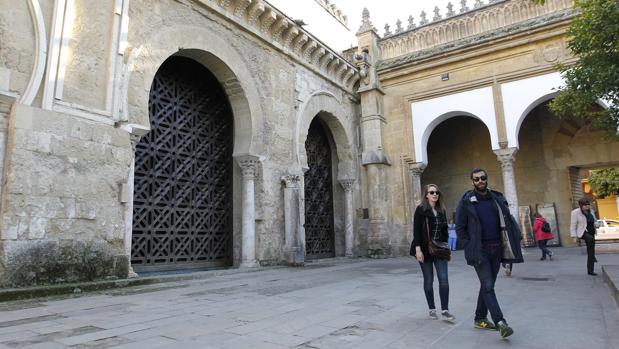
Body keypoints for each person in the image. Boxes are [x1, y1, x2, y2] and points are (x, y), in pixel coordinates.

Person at [456, 168, 523, 338]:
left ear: (487, 179)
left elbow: (508, 220)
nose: (480, 181)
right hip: (479, 251)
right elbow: (460, 227)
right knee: (487, 285)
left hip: (497, 248)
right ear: (472, 181)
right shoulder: (466, 201)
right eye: (476, 179)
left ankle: (479, 318)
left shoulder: (497, 198)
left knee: (487, 285)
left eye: (482, 178)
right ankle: (501, 322)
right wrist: (468, 245)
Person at [412, 184, 455, 322]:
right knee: (429, 280)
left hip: (439, 249)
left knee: (444, 279)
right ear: (426, 195)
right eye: (431, 192)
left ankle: (445, 310)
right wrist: (418, 249)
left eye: (437, 192)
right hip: (424, 249)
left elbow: (444, 231)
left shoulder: (441, 210)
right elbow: (416, 231)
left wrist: (446, 247)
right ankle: (432, 309)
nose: (435, 194)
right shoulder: (420, 210)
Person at [570, 198, 597, 275]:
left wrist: (597, 224)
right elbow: (573, 225)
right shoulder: (575, 212)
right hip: (583, 232)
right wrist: (574, 236)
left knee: (591, 251)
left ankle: (590, 270)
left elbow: (595, 220)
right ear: (581, 205)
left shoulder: (591, 211)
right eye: (585, 205)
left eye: (588, 205)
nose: (587, 206)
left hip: (591, 231)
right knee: (590, 240)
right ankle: (592, 257)